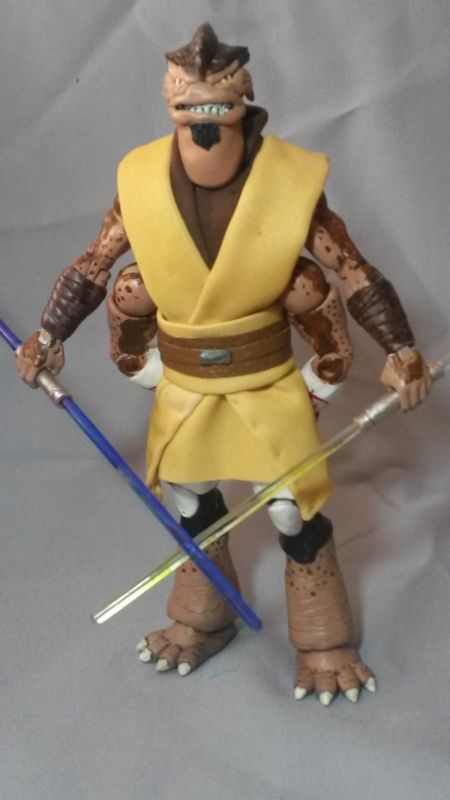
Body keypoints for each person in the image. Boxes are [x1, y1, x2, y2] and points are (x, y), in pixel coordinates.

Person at [16, 24, 431, 705]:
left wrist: (401, 348)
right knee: (189, 501)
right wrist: (48, 334)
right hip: (185, 382)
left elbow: (351, 270)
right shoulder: (140, 180)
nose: (203, 105)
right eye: (188, 97)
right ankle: (206, 613)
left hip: (268, 381)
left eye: (217, 94)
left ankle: (323, 639)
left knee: (290, 507)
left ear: (243, 100)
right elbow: (95, 265)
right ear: (171, 102)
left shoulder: (290, 181)